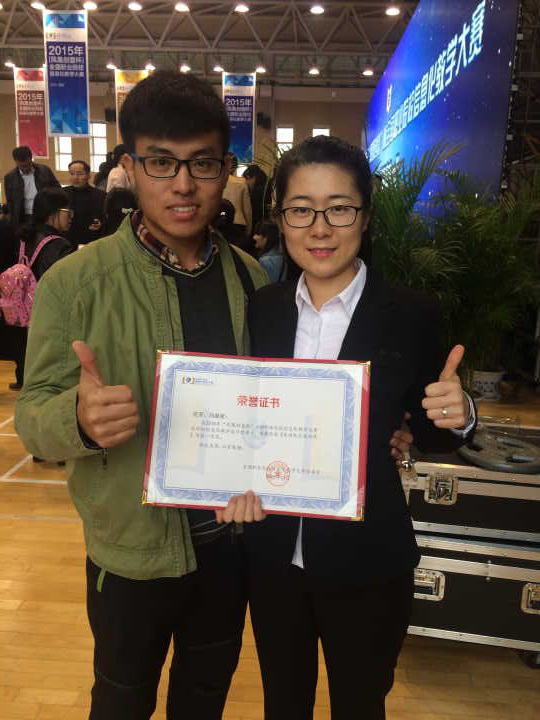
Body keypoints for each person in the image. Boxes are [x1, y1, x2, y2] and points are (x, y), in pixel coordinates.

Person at [15, 69, 268, 720]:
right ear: (129, 168)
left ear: (225, 170)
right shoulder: (77, 282)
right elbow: (32, 416)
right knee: (121, 700)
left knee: (204, 696)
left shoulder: (252, 281)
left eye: (202, 163)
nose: (183, 184)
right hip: (130, 553)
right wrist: (76, 417)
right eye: (161, 162)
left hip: (231, 547)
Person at [237, 135, 476, 720]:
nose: (320, 228)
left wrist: (459, 413)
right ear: (281, 219)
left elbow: (432, 430)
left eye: (339, 208)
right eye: (301, 210)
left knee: (361, 705)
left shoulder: (412, 314)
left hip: (368, 561)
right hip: (273, 557)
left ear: (365, 218)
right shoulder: (263, 309)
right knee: (282, 703)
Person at [3, 145, 60, 229]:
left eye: (27, 165)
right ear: (15, 161)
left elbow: (57, 189)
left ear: (31, 158)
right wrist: (12, 219)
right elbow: (10, 201)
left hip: (44, 214)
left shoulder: (45, 170)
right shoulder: (9, 177)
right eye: (22, 166)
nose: (25, 169)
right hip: (22, 217)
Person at [65, 160, 106, 247]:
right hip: (68, 240)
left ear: (88, 175)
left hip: (91, 240)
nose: (75, 177)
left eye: (80, 174)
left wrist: (101, 224)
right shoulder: (62, 194)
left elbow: (106, 217)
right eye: (72, 174)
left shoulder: (100, 195)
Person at [222, 154, 252, 238]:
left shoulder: (217, 181)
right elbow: (247, 209)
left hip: (221, 222)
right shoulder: (242, 182)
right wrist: (249, 230)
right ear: (236, 166)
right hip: (238, 224)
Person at [243, 163, 269, 230]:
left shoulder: (257, 192)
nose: (246, 183)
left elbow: (253, 214)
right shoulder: (266, 187)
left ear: (249, 177)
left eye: (246, 180)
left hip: (259, 226)